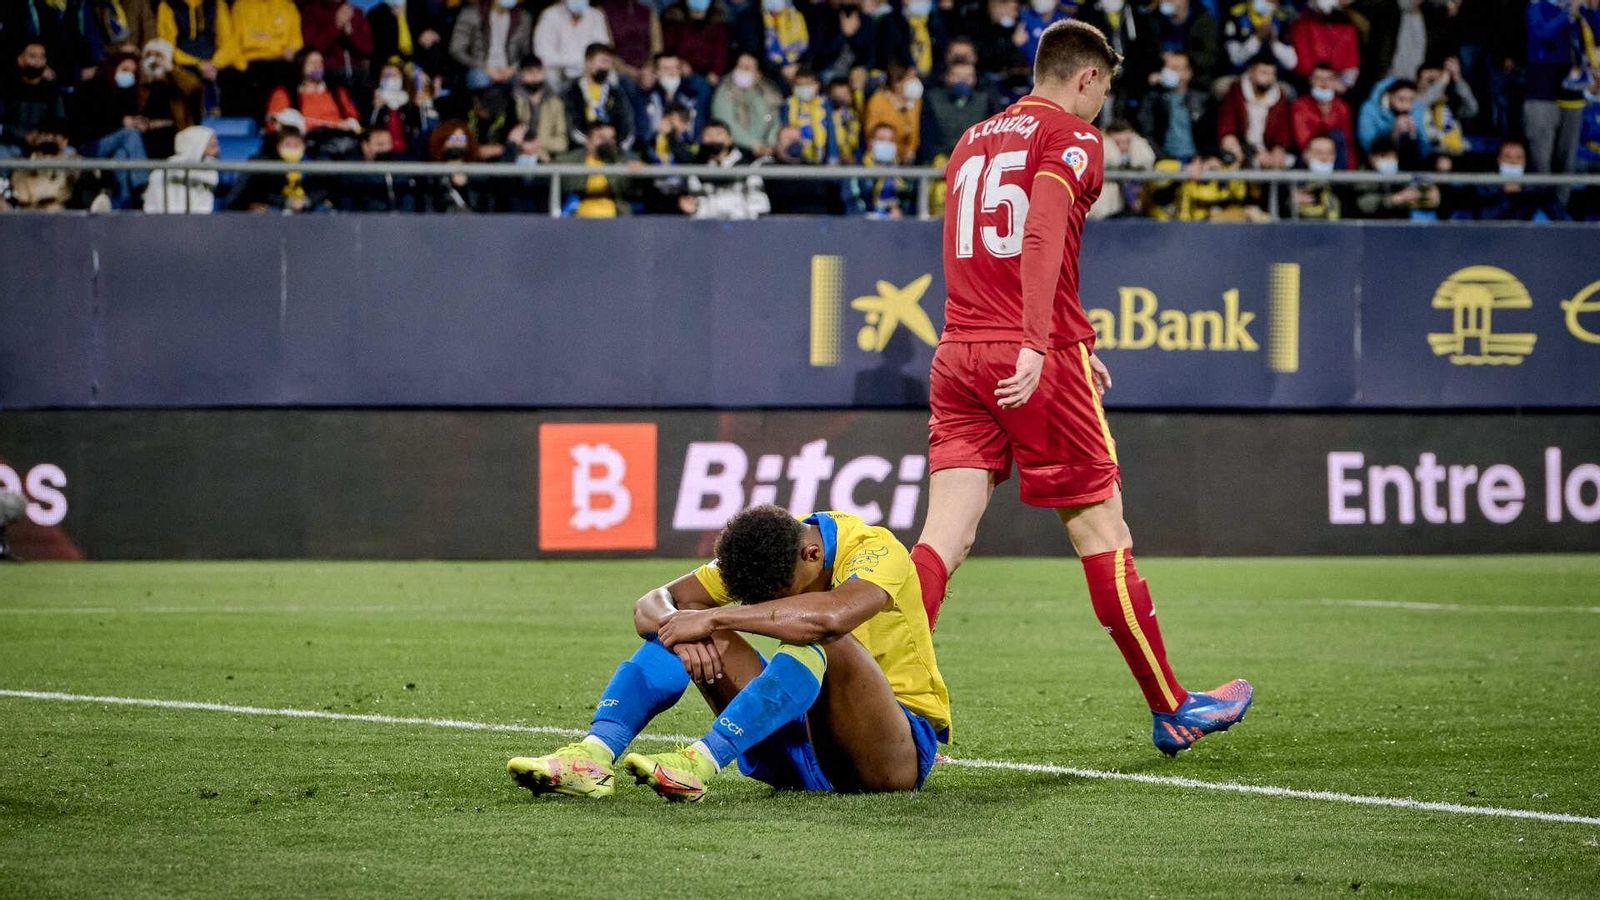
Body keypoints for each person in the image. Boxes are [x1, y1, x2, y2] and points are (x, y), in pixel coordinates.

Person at [920, 20, 1252, 757]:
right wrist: (1042, 344)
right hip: (1028, 357)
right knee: (1104, 535)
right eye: (1104, 90)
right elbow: (1038, 235)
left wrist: (1075, 336)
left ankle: (897, 695)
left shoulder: (971, 139)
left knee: (943, 539)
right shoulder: (1073, 136)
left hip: (958, 350)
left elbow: (989, 252)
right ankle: (1172, 708)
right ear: (1088, 79)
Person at [506, 505, 949, 802]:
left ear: (812, 554)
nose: (765, 603)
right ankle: (593, 754)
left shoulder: (876, 549)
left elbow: (831, 617)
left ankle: (701, 761)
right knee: (682, 620)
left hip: (887, 753)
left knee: (818, 634)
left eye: (776, 596)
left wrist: (718, 620)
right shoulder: (765, 549)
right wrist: (684, 626)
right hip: (793, 742)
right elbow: (653, 602)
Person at [218, 0, 300, 119]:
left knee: (291, 74)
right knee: (231, 77)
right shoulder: (241, 5)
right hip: (250, 62)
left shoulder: (289, 7)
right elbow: (244, 40)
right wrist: (278, 45)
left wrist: (260, 40)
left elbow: (295, 46)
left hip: (280, 64)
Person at [1458, 136, 1572, 220]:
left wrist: (1521, 196)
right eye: (1507, 157)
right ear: (1499, 160)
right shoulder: (1483, 187)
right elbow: (1481, 219)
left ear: (1525, 162)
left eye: (1518, 158)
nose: (1513, 162)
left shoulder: (1537, 189)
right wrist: (1504, 195)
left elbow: (1556, 218)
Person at [919, 57, 1003, 163]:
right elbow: (926, 135)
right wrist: (936, 158)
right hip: (939, 165)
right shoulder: (932, 99)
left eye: (968, 76)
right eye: (958, 76)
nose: (963, 80)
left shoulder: (986, 101)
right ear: (947, 77)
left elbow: (991, 137)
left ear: (974, 79)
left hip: (975, 163)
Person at [681, 118, 768, 218]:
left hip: (743, 226)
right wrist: (695, 208)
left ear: (729, 139)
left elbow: (758, 203)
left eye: (718, 134)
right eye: (708, 135)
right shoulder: (697, 169)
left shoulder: (748, 165)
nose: (713, 139)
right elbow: (699, 205)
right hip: (710, 227)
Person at [1217, 54, 1292, 170]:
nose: (1269, 78)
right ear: (1251, 73)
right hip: (1242, 150)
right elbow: (1227, 128)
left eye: (1272, 73)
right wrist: (1254, 153)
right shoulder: (1235, 94)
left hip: (1268, 152)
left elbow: (1283, 132)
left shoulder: (1279, 98)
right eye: (1264, 72)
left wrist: (1279, 150)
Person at [1138, 49, 1209, 163]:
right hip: (1164, 161)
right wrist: (1152, 87)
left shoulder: (1202, 99)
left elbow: (1208, 135)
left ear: (1188, 73)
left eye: (1175, 69)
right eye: (1167, 68)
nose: (1168, 72)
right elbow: (1146, 130)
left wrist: (1202, 159)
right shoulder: (1155, 98)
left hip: (1197, 162)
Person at [266, 49, 362, 133]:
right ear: (301, 66)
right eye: (312, 63)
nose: (318, 66)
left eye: (320, 63)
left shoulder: (337, 91)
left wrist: (348, 124)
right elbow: (273, 124)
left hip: (336, 141)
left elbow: (353, 117)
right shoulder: (284, 93)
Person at [1, 42, 70, 157]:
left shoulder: (52, 91)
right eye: (32, 56)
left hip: (46, 147)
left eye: (42, 57)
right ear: (20, 59)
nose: (38, 61)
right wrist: (25, 136)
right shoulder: (7, 88)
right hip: (12, 146)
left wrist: (52, 137)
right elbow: (3, 125)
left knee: (73, 157)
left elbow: (60, 121)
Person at [555, 119, 634, 215]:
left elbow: (634, 189)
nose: (607, 143)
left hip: (614, 220)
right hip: (578, 220)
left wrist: (633, 171)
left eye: (611, 139)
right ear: (588, 141)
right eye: (602, 138)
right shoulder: (570, 161)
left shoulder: (620, 161)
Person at [63, 0, 157, 81]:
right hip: (112, 64)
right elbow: (98, 43)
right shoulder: (96, 6)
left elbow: (150, 33)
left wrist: (138, 54)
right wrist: (120, 51)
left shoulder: (138, 2)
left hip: (140, 61)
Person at [564, 43, 634, 150]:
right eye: (603, 61)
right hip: (581, 150)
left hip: (613, 149)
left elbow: (627, 124)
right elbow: (570, 125)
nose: (607, 67)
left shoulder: (616, 93)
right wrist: (591, 143)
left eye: (610, 63)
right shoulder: (571, 91)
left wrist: (616, 145)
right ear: (588, 63)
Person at [452, 0, 535, 91]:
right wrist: (484, 67)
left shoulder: (523, 17)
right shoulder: (471, 14)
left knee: (530, 78)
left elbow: (527, 52)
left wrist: (514, 67)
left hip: (511, 68)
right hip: (480, 67)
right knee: (479, 78)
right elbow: (456, 49)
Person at [300, 0, 373, 98]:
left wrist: (351, 34)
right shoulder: (312, 11)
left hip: (357, 71)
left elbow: (368, 49)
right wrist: (336, 25)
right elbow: (312, 48)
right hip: (328, 71)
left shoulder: (356, 12)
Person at [533, 0, 612, 87]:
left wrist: (589, 65)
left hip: (590, 70)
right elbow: (543, 56)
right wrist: (578, 62)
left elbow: (602, 50)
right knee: (550, 75)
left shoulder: (596, 16)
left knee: (612, 76)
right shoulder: (549, 16)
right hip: (561, 72)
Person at [711, 51, 777, 153]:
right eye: (739, 66)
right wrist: (754, 144)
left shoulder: (768, 93)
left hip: (766, 150)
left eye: (747, 68)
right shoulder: (725, 91)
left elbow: (774, 123)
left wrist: (770, 145)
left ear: (758, 74)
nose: (741, 71)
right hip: (736, 149)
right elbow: (727, 123)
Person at [142, 124, 219, 212]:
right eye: (212, 146)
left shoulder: (210, 173)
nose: (217, 151)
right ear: (198, 146)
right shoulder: (160, 174)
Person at [1291, 62, 1355, 168]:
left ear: (1334, 81)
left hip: (1334, 157)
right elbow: (1303, 140)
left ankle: (1340, 183)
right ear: (1311, 80)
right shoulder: (1300, 105)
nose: (1324, 83)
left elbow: (1347, 142)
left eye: (1329, 79)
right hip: (1310, 156)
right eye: (1319, 79)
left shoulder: (1342, 107)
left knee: (1338, 136)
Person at [1357, 77, 1428, 165]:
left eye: (1411, 100)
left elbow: (1425, 148)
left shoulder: (1417, 109)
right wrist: (1393, 134)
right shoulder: (1370, 109)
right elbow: (1367, 144)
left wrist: (1415, 136)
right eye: (1401, 99)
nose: (1406, 105)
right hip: (1378, 161)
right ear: (1389, 96)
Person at [1290, 0, 1358, 90]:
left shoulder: (1347, 29)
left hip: (1336, 82)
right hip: (1305, 80)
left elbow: (1351, 64)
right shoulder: (1303, 25)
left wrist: (1343, 84)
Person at [660, 0, 731, 86]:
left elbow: (722, 51)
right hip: (681, 71)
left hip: (709, 75)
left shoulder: (719, 21)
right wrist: (679, 63)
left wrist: (715, 72)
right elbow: (668, 48)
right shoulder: (674, 17)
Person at [511, 55, 568, 160]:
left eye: (538, 72)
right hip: (515, 156)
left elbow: (562, 143)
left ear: (544, 73)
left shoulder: (556, 103)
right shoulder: (511, 100)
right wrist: (522, 145)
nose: (534, 76)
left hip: (545, 160)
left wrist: (539, 143)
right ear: (521, 75)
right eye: (529, 72)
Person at [864, 61, 922, 162]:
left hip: (907, 160)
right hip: (880, 158)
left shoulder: (916, 103)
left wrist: (909, 152)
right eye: (910, 79)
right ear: (896, 82)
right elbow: (870, 133)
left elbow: (915, 134)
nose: (914, 82)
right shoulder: (878, 100)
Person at [1221, 0, 1296, 74]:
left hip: (1272, 77)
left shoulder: (1281, 20)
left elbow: (1291, 63)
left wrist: (1274, 43)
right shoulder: (1236, 15)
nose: (1270, 2)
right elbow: (1235, 59)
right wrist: (1257, 39)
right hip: (1239, 75)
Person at [1293, 132, 1340, 218]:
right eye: (1319, 153)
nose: (1324, 158)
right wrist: (1289, 200)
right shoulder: (1290, 184)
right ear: (1306, 155)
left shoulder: (1344, 187)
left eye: (1330, 153)